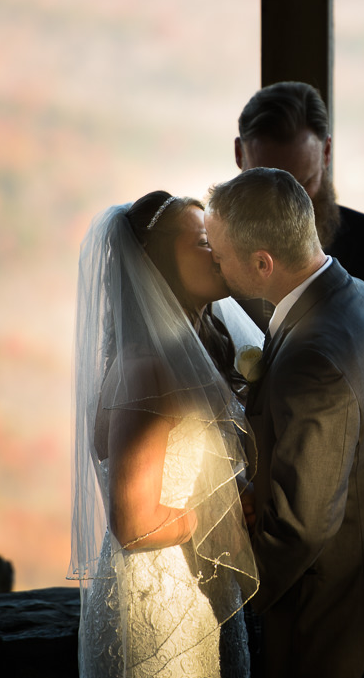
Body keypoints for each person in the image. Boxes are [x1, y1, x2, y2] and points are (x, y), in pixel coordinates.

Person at [206, 168, 364, 678]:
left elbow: (300, 529)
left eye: (220, 258)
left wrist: (224, 593)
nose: (216, 269)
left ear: (263, 263)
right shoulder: (362, 298)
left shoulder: (315, 361)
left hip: (337, 630)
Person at [69, 191, 264, 678]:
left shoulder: (186, 351)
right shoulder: (146, 368)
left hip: (193, 587)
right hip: (159, 603)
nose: (219, 251)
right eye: (203, 242)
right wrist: (223, 516)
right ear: (157, 265)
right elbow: (135, 525)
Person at [233, 81, 364, 436]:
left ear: (327, 153)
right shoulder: (210, 254)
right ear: (241, 155)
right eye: (267, 186)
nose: (289, 207)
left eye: (304, 184)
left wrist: (332, 435)